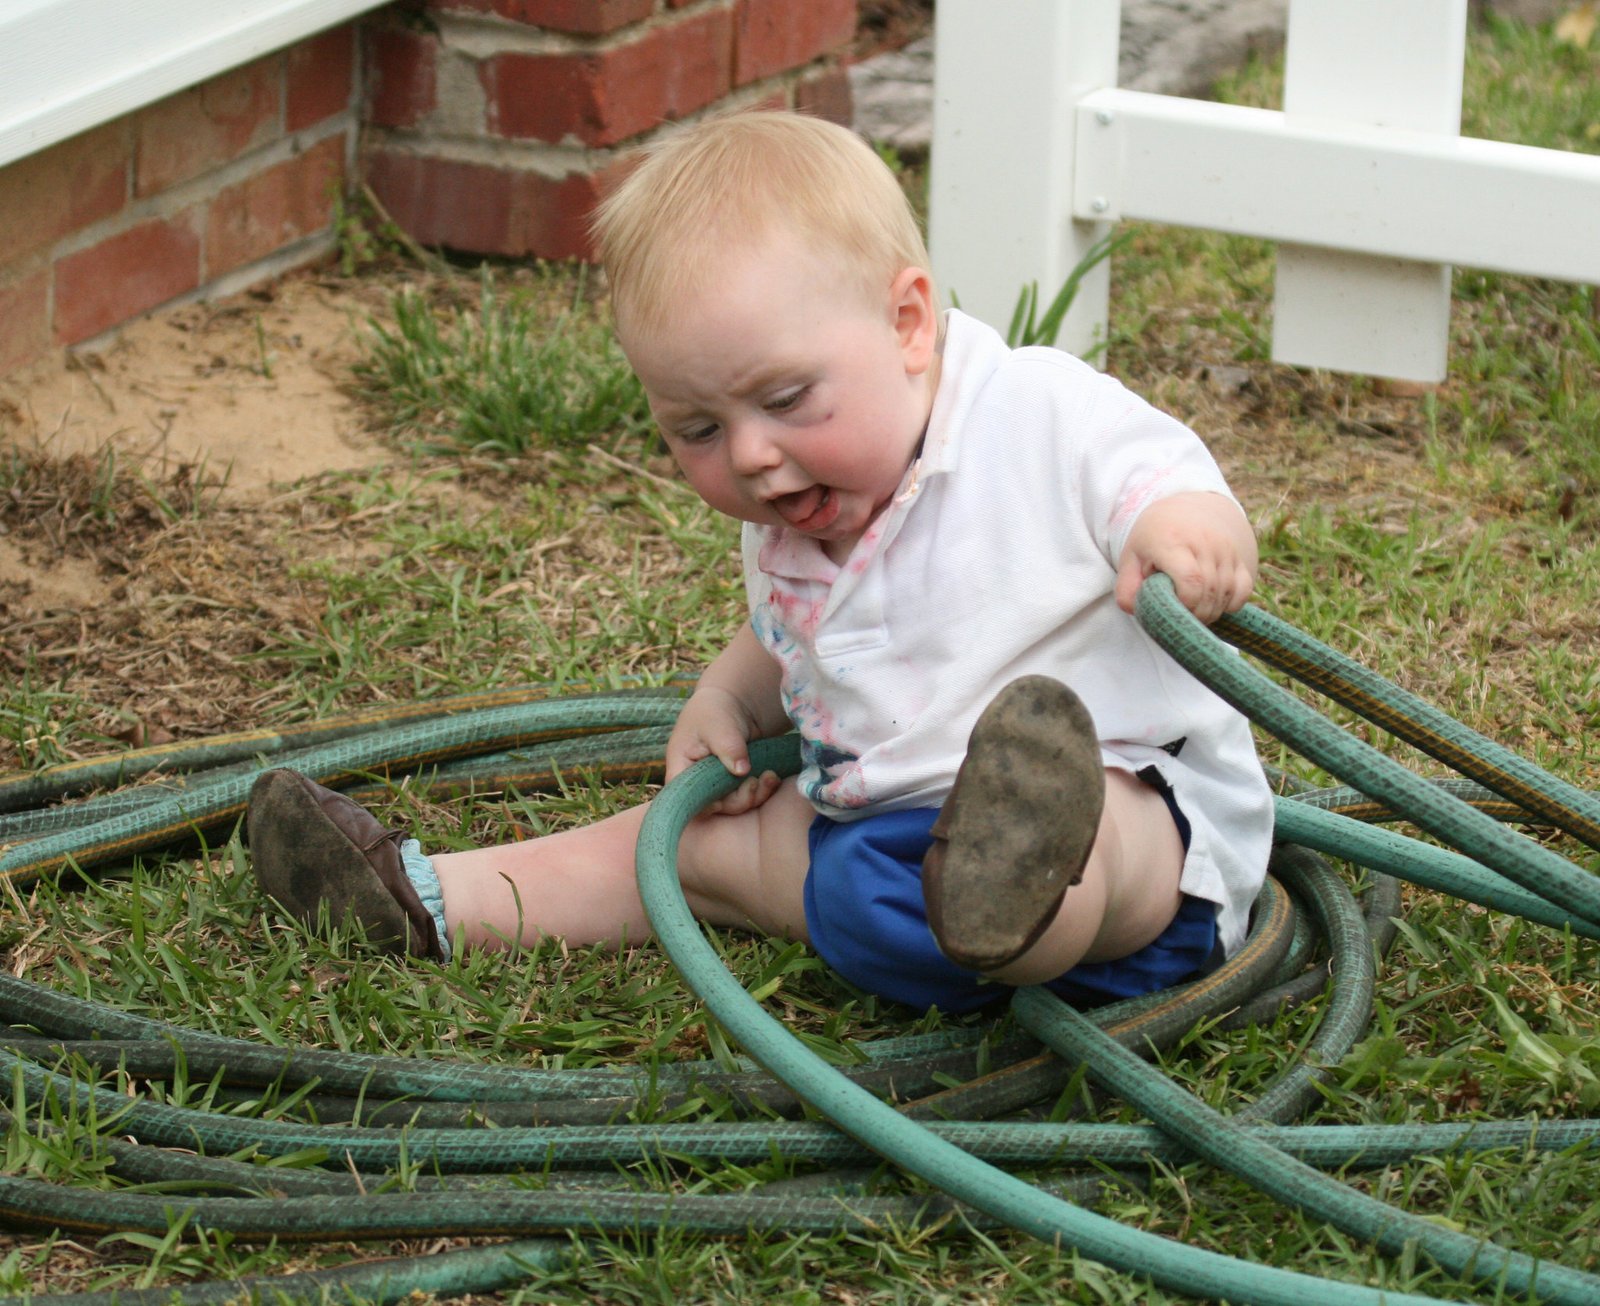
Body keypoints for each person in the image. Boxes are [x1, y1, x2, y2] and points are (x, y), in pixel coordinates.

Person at [248, 111, 1274, 1014]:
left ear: (907, 322)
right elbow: (794, 631)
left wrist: (1185, 533)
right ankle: (422, 900)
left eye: (785, 400)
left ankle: (1025, 894)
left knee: (1112, 842)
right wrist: (729, 702)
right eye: (696, 428)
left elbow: (1153, 473)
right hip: (881, 841)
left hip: (1142, 857)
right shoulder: (800, 501)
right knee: (683, 846)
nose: (748, 454)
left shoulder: (1035, 412)